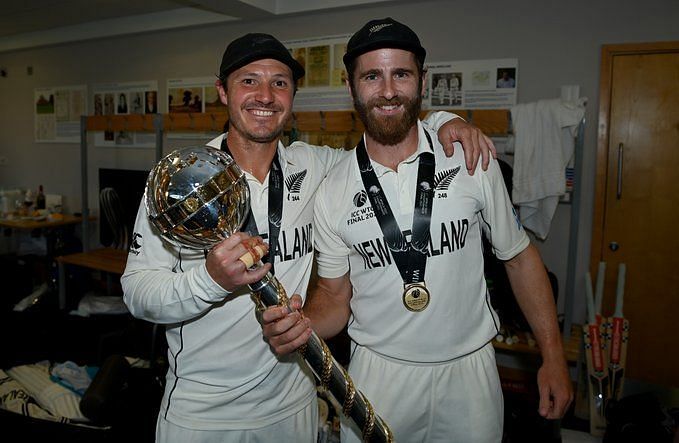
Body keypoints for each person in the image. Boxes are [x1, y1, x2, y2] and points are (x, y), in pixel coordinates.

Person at [122, 32, 495, 443]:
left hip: (294, 407)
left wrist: (445, 121)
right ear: (222, 93)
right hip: (204, 416)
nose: (265, 95)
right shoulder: (184, 183)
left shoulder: (318, 167)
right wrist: (209, 281)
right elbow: (137, 294)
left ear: (293, 97)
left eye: (279, 83)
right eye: (249, 81)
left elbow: (389, 138)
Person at [262, 18, 572, 443]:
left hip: (470, 371)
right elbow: (335, 297)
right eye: (372, 76)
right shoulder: (333, 188)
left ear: (422, 81)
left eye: (401, 74)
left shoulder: (469, 157)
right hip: (378, 373)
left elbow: (519, 258)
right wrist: (303, 324)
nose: (388, 91)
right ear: (352, 86)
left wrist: (552, 356)